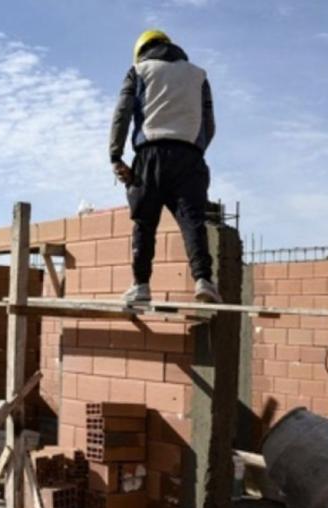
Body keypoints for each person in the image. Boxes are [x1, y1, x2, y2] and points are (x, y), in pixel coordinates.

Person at [110, 29, 221, 304]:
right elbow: (209, 124)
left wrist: (115, 156)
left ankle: (141, 286)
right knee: (193, 221)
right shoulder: (199, 75)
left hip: (150, 155)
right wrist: (195, 152)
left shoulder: (138, 71)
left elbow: (122, 113)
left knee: (145, 222)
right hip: (190, 157)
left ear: (141, 51)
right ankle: (204, 280)